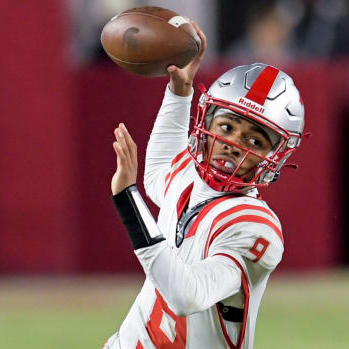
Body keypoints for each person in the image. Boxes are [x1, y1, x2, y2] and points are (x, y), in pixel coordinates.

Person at [104, 21, 305, 349]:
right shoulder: (188, 175)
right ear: (205, 121)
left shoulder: (256, 227)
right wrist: (179, 92)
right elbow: (157, 174)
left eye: (253, 139)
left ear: (275, 156)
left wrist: (128, 200)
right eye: (226, 126)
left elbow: (186, 295)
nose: (233, 143)